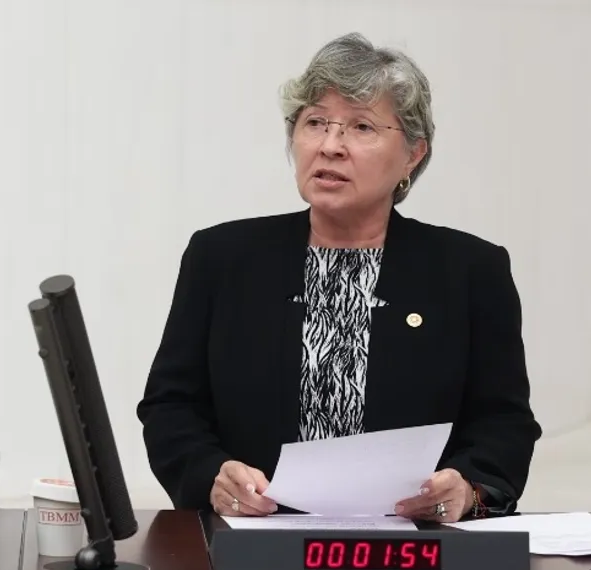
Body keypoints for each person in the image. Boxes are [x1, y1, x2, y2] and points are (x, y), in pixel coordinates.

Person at [136, 32, 541, 523]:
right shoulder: (221, 258)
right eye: (315, 123)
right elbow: (171, 406)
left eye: (361, 127)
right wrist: (211, 476)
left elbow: (504, 422)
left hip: (413, 543)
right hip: (253, 538)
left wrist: (467, 488)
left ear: (413, 154)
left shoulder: (471, 270)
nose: (330, 146)